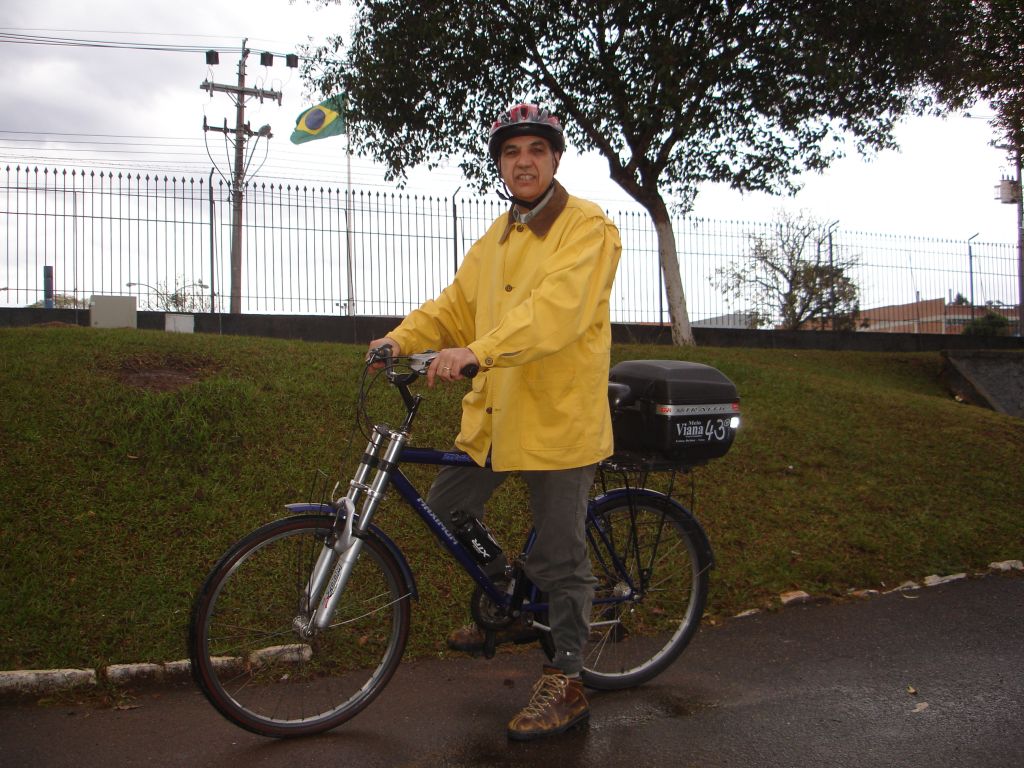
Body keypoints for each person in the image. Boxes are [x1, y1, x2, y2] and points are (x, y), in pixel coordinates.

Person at [368, 103, 621, 740]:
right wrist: (400, 340)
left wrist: (477, 352)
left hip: (558, 422)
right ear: (501, 165)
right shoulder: (498, 237)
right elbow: (454, 306)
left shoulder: (588, 227)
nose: (523, 162)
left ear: (555, 159)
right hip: (498, 416)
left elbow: (556, 312)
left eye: (536, 150)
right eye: (512, 152)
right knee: (446, 506)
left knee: (561, 556)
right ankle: (512, 597)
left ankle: (567, 680)